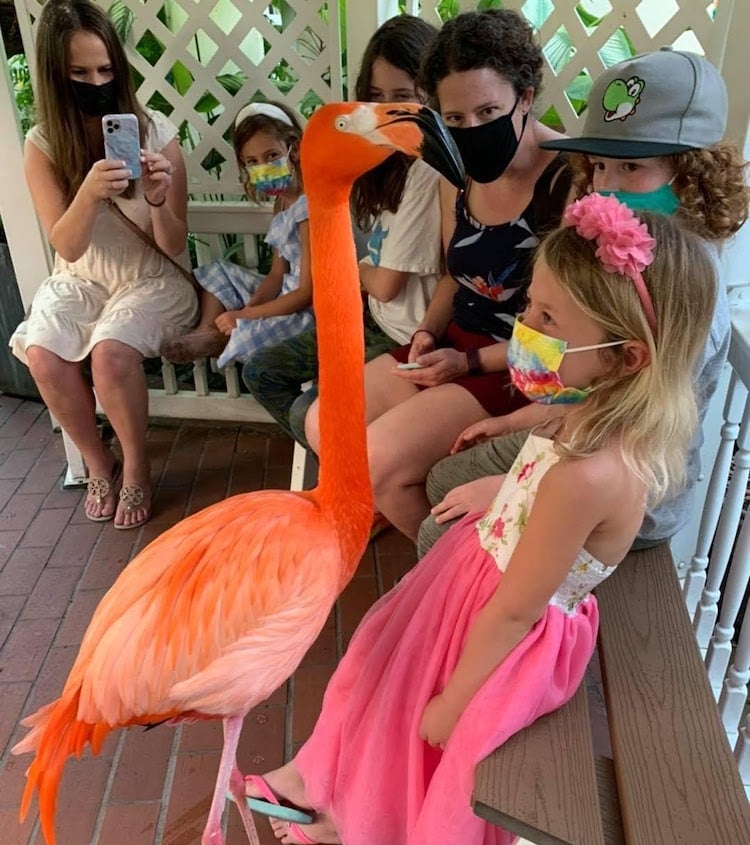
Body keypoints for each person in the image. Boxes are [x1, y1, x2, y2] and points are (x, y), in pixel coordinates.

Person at [244, 198, 717, 845]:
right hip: (483, 575)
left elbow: (517, 611)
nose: (526, 329)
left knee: (411, 703)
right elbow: (560, 437)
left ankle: (363, 809)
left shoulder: (591, 477)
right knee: (376, 659)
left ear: (628, 356)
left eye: (550, 322)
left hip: (500, 630)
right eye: (532, 305)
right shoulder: (603, 408)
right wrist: (506, 456)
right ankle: (331, 786)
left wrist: (455, 700)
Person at [418, 47, 749, 558]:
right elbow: (592, 385)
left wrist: (516, 494)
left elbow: (634, 437)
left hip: (629, 492)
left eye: (631, 167)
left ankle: (515, 629)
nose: (605, 187)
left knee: (440, 533)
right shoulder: (626, 254)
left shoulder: (686, 287)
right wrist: (519, 420)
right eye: (598, 166)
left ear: (692, 174)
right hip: (576, 434)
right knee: (444, 481)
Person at [303, 8, 573, 540]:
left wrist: (468, 360)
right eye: (454, 118)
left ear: (525, 96)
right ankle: (414, 519)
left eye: (488, 110)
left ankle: (451, 574)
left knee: (376, 459)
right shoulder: (460, 172)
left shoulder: (569, 181)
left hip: (522, 364)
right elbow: (456, 275)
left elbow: (564, 334)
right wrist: (427, 332)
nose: (471, 130)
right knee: (323, 425)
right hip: (452, 346)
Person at [10, 0, 198, 529]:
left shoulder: (154, 131)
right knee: (43, 355)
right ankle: (99, 460)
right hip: (83, 276)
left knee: (110, 355)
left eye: (105, 69)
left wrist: (159, 200)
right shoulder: (43, 143)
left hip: (149, 277)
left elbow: (176, 245)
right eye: (79, 72)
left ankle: (136, 468)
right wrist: (89, 194)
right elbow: (66, 247)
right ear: (55, 75)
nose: (96, 82)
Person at [241, 14, 442, 446]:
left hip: (406, 334)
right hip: (371, 317)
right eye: (375, 98)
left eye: (402, 97)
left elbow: (384, 282)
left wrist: (352, 266)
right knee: (261, 370)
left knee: (308, 412)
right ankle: (345, 473)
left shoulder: (425, 173)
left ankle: (358, 489)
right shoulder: (371, 167)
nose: (384, 110)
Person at [161, 101, 313, 371]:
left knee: (255, 336)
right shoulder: (282, 203)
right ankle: (207, 330)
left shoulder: (309, 208)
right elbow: (277, 274)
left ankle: (220, 340)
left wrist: (245, 316)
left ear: (295, 149)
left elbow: (306, 293)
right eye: (252, 162)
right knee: (219, 271)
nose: (262, 167)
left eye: (271, 156)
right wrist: (249, 310)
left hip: (307, 309)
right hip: (283, 292)